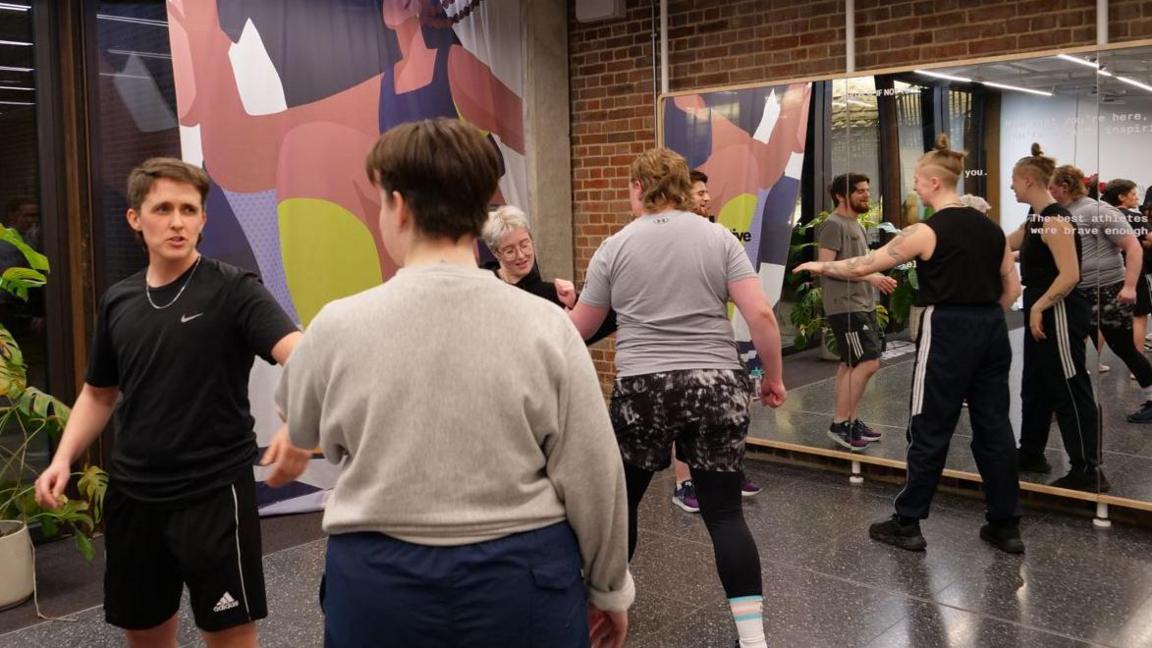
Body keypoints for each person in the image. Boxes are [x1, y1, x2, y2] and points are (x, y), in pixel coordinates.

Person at [275, 119, 632, 648]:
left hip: (379, 584)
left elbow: (299, 424)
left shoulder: (337, 325)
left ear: (397, 206)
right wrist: (608, 590)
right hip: (522, 580)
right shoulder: (547, 325)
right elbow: (595, 474)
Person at [33, 158, 309, 648]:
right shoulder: (119, 301)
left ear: (204, 219)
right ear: (136, 218)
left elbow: (304, 356)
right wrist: (61, 458)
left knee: (227, 634)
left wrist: (299, 422)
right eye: (163, 208)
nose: (177, 221)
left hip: (213, 494)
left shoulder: (233, 290)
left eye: (189, 209)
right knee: (144, 632)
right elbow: (99, 392)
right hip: (134, 497)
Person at [568, 147, 787, 648]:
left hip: (643, 388)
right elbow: (761, 315)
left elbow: (579, 328)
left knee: (624, 505)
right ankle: (753, 639)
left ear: (640, 188)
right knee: (725, 513)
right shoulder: (718, 238)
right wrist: (771, 378)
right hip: (716, 385)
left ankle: (603, 614)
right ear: (683, 190)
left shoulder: (615, 246)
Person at [797, 134, 1024, 554]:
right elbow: (1011, 287)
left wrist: (817, 264)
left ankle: (908, 521)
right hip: (992, 325)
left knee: (929, 425)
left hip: (949, 326)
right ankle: (1005, 524)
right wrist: (982, 314)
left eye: (918, 179)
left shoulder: (927, 230)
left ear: (935, 182)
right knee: (994, 426)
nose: (914, 186)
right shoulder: (992, 231)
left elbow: (867, 263)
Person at [1007, 146, 1104, 492]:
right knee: (1035, 383)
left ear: (1029, 180)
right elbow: (1004, 244)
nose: (1011, 188)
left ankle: (1087, 469)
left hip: (1058, 307)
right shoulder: (1035, 219)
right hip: (1042, 303)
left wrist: (1037, 307)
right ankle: (1031, 453)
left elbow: (1070, 276)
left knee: (1068, 386)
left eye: (1014, 182)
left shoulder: (1056, 220)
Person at [669, 169, 763, 514]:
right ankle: (684, 483)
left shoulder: (719, 235)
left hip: (717, 337)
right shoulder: (670, 239)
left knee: (730, 407)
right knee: (685, 414)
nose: (705, 197)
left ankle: (727, 470)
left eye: (707, 192)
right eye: (698, 192)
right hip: (681, 343)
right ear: (681, 195)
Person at [1051, 165, 1152, 429]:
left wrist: (1129, 287)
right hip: (1077, 291)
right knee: (1068, 348)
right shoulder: (1059, 213)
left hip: (1106, 289)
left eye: (1051, 186)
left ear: (1062, 186)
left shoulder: (1098, 211)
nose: (1047, 191)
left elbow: (1133, 248)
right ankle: (1060, 402)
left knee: (1123, 348)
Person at [817, 173, 895, 451]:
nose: (866, 195)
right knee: (868, 362)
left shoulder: (855, 224)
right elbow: (825, 267)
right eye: (860, 191)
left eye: (866, 190)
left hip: (862, 305)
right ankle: (840, 424)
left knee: (850, 364)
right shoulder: (833, 225)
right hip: (845, 307)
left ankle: (850, 419)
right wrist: (870, 277)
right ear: (841, 195)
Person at [481, 205, 616, 343]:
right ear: (495, 253)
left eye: (524, 244)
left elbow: (610, 319)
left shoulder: (551, 295)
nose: (521, 255)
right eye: (510, 251)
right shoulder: (482, 286)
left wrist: (575, 303)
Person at [1100, 179, 1152, 353]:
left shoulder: (1101, 216)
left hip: (1107, 273)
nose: (1137, 198)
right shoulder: (1135, 218)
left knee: (1102, 319)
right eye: (1133, 194)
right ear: (1121, 197)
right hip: (1132, 271)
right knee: (1139, 315)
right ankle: (1137, 365)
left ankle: (1092, 363)